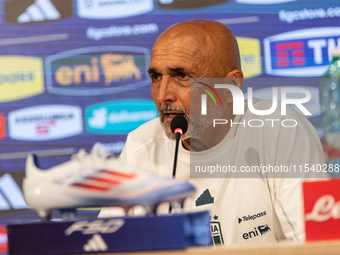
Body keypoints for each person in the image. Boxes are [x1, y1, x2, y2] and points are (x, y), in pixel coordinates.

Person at [99, 19, 325, 245]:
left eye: (182, 76)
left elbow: (318, 245)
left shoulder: (281, 131)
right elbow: (111, 246)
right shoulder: (141, 146)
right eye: (156, 77)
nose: (163, 95)